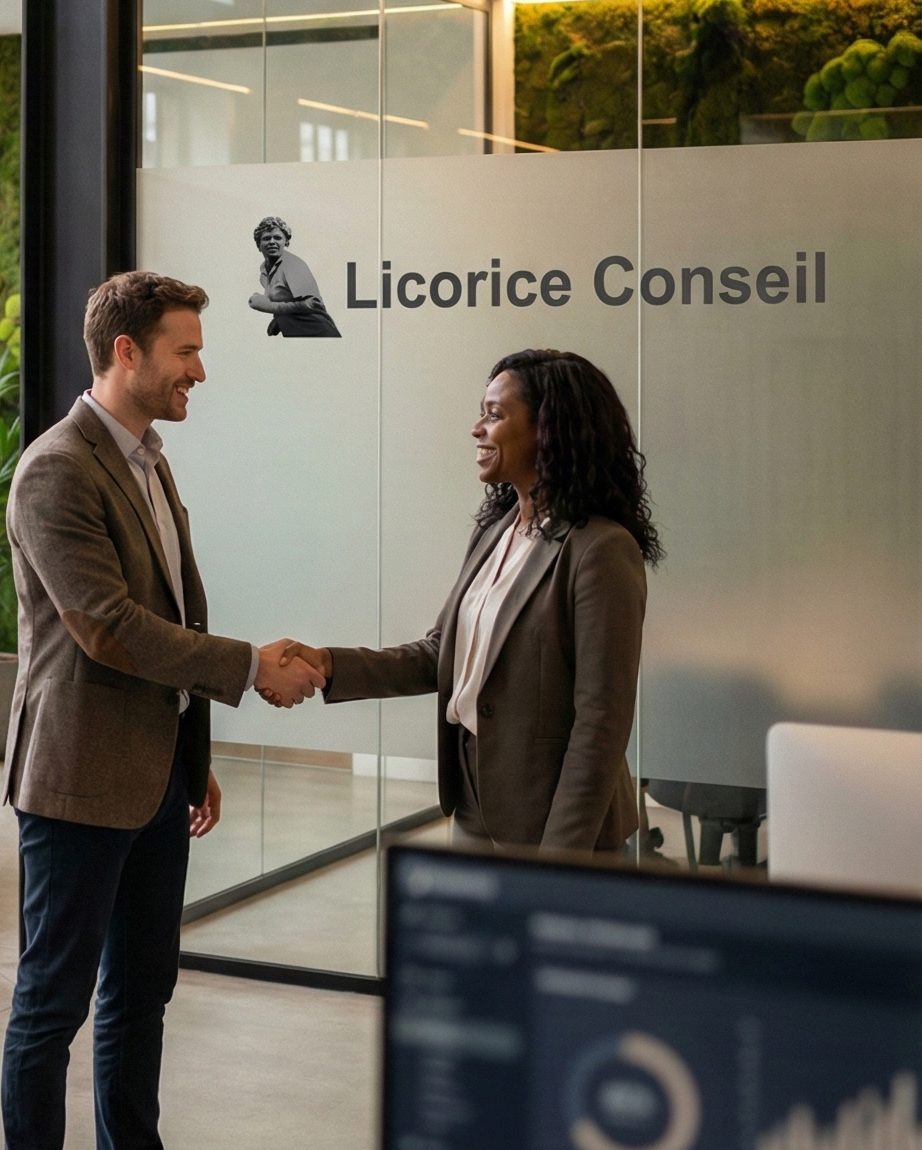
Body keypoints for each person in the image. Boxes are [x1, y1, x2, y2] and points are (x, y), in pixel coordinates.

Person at [0, 271, 324, 1150]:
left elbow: (170, 602)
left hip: (152, 771)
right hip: (78, 778)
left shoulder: (148, 460)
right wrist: (244, 666)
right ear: (125, 353)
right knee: (50, 1007)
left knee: (141, 996)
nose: (199, 368)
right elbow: (105, 625)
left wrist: (195, 753)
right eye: (184, 348)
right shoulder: (56, 469)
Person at [275, 349, 663, 853]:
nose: (478, 428)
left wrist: (560, 859)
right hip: (478, 803)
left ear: (549, 429)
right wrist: (328, 664)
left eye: (495, 414)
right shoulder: (498, 531)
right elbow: (442, 654)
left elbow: (601, 724)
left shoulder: (601, 550)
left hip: (556, 823)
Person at [249, 216, 341, 337]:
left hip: (317, 331)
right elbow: (287, 301)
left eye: (277, 238)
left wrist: (270, 307)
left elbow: (314, 303)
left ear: (286, 242)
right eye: (266, 238)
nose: (272, 242)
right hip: (295, 334)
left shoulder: (293, 265)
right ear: (258, 245)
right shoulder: (264, 272)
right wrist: (278, 319)